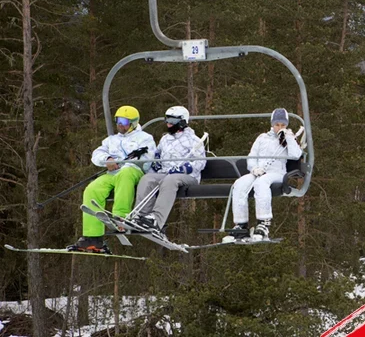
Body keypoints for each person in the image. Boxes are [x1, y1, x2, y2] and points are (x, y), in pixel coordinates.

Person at [68, 106, 156, 253]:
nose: (120, 124)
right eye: (117, 120)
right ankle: (92, 237)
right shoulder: (111, 140)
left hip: (133, 172)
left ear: (133, 123)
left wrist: (129, 161)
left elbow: (148, 159)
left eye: (124, 121)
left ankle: (120, 217)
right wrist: (107, 159)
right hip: (113, 174)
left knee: (126, 173)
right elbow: (97, 155)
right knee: (93, 188)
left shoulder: (144, 138)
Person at [223, 108, 302, 243]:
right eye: (277, 124)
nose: (279, 127)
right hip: (259, 172)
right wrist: (254, 168)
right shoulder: (262, 138)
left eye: (283, 125)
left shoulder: (288, 139)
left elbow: (296, 154)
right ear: (272, 124)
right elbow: (252, 156)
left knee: (262, 183)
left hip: (276, 173)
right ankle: (241, 224)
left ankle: (264, 222)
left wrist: (288, 137)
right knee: (240, 183)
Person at [132, 106, 207, 237]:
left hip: (188, 176)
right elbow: (158, 153)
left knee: (170, 180)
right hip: (166, 172)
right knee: (147, 178)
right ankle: (141, 216)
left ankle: (157, 220)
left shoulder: (194, 140)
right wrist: (155, 162)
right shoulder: (165, 139)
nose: (168, 122)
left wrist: (183, 168)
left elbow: (200, 162)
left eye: (172, 119)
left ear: (183, 121)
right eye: (167, 119)